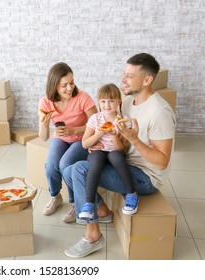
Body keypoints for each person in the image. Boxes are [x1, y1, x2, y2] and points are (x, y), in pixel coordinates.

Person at [62, 53, 176, 258]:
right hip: (123, 160)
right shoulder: (129, 101)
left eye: (129, 75)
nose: (123, 79)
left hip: (145, 176)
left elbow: (162, 161)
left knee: (78, 170)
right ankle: (102, 211)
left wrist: (132, 139)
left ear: (147, 80)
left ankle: (93, 235)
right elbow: (109, 125)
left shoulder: (159, 112)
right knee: (68, 168)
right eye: (124, 73)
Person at [38, 62, 97, 217]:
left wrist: (74, 130)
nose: (69, 88)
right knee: (51, 165)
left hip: (81, 139)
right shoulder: (45, 102)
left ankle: (75, 203)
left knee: (65, 164)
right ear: (54, 85)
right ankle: (55, 197)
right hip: (61, 138)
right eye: (64, 85)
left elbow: (98, 124)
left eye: (72, 83)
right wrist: (44, 125)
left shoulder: (82, 97)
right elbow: (43, 138)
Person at [79, 83, 138, 221]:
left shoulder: (123, 121)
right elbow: (84, 143)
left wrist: (113, 135)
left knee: (116, 156)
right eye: (103, 101)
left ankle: (132, 193)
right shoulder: (95, 119)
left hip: (114, 152)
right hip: (97, 152)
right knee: (97, 158)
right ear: (99, 102)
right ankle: (88, 203)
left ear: (119, 101)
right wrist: (99, 134)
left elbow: (120, 149)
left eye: (111, 101)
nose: (107, 105)